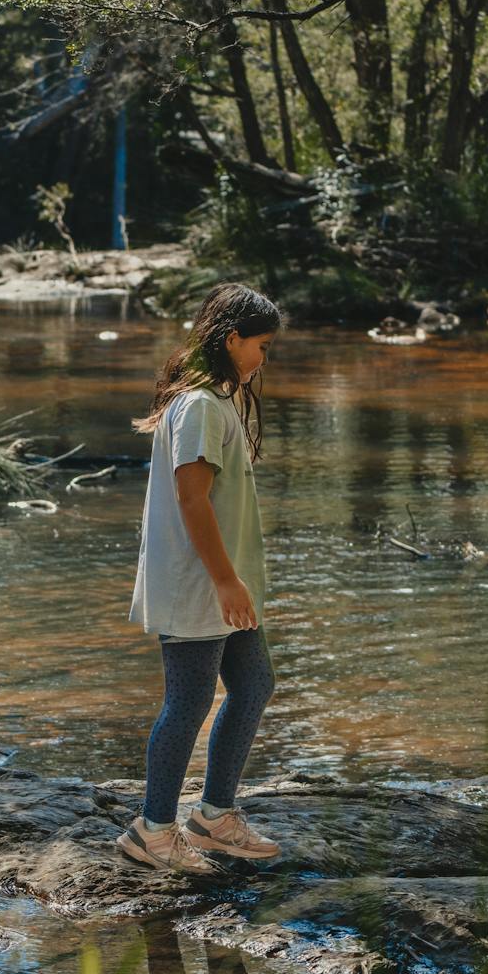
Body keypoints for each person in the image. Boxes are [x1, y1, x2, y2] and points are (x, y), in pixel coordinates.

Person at [116, 283, 284, 874]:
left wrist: (234, 581)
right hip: (201, 583)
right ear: (232, 338)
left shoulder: (217, 400)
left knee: (255, 684)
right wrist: (225, 582)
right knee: (187, 703)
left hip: (223, 582)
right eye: (261, 346)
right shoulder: (199, 407)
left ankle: (213, 817)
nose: (264, 359)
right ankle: (152, 830)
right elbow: (193, 501)